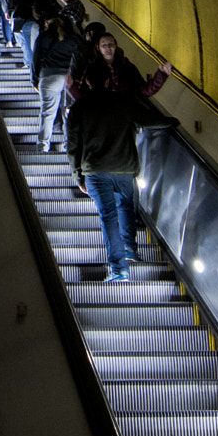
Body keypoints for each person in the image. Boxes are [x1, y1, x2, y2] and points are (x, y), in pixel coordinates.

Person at [66, 87, 167, 282]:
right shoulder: (125, 101)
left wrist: (78, 176)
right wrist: (174, 121)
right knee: (126, 207)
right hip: (124, 167)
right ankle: (129, 248)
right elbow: (150, 119)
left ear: (87, 81)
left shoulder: (81, 106)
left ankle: (119, 269)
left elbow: (73, 144)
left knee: (108, 216)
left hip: (95, 170)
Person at [68, 29, 173, 103]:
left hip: (125, 113)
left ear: (115, 46)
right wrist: (71, 87)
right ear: (98, 48)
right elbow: (82, 97)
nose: (108, 47)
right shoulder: (92, 69)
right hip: (104, 115)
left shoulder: (126, 66)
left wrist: (161, 74)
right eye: (104, 45)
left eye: (111, 44)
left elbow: (144, 90)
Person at [30, 15, 83, 151]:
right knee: (68, 113)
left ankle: (43, 145)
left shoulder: (44, 36)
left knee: (48, 112)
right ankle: (68, 145)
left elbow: (35, 58)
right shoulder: (75, 38)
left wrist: (35, 80)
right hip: (69, 78)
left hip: (49, 76)